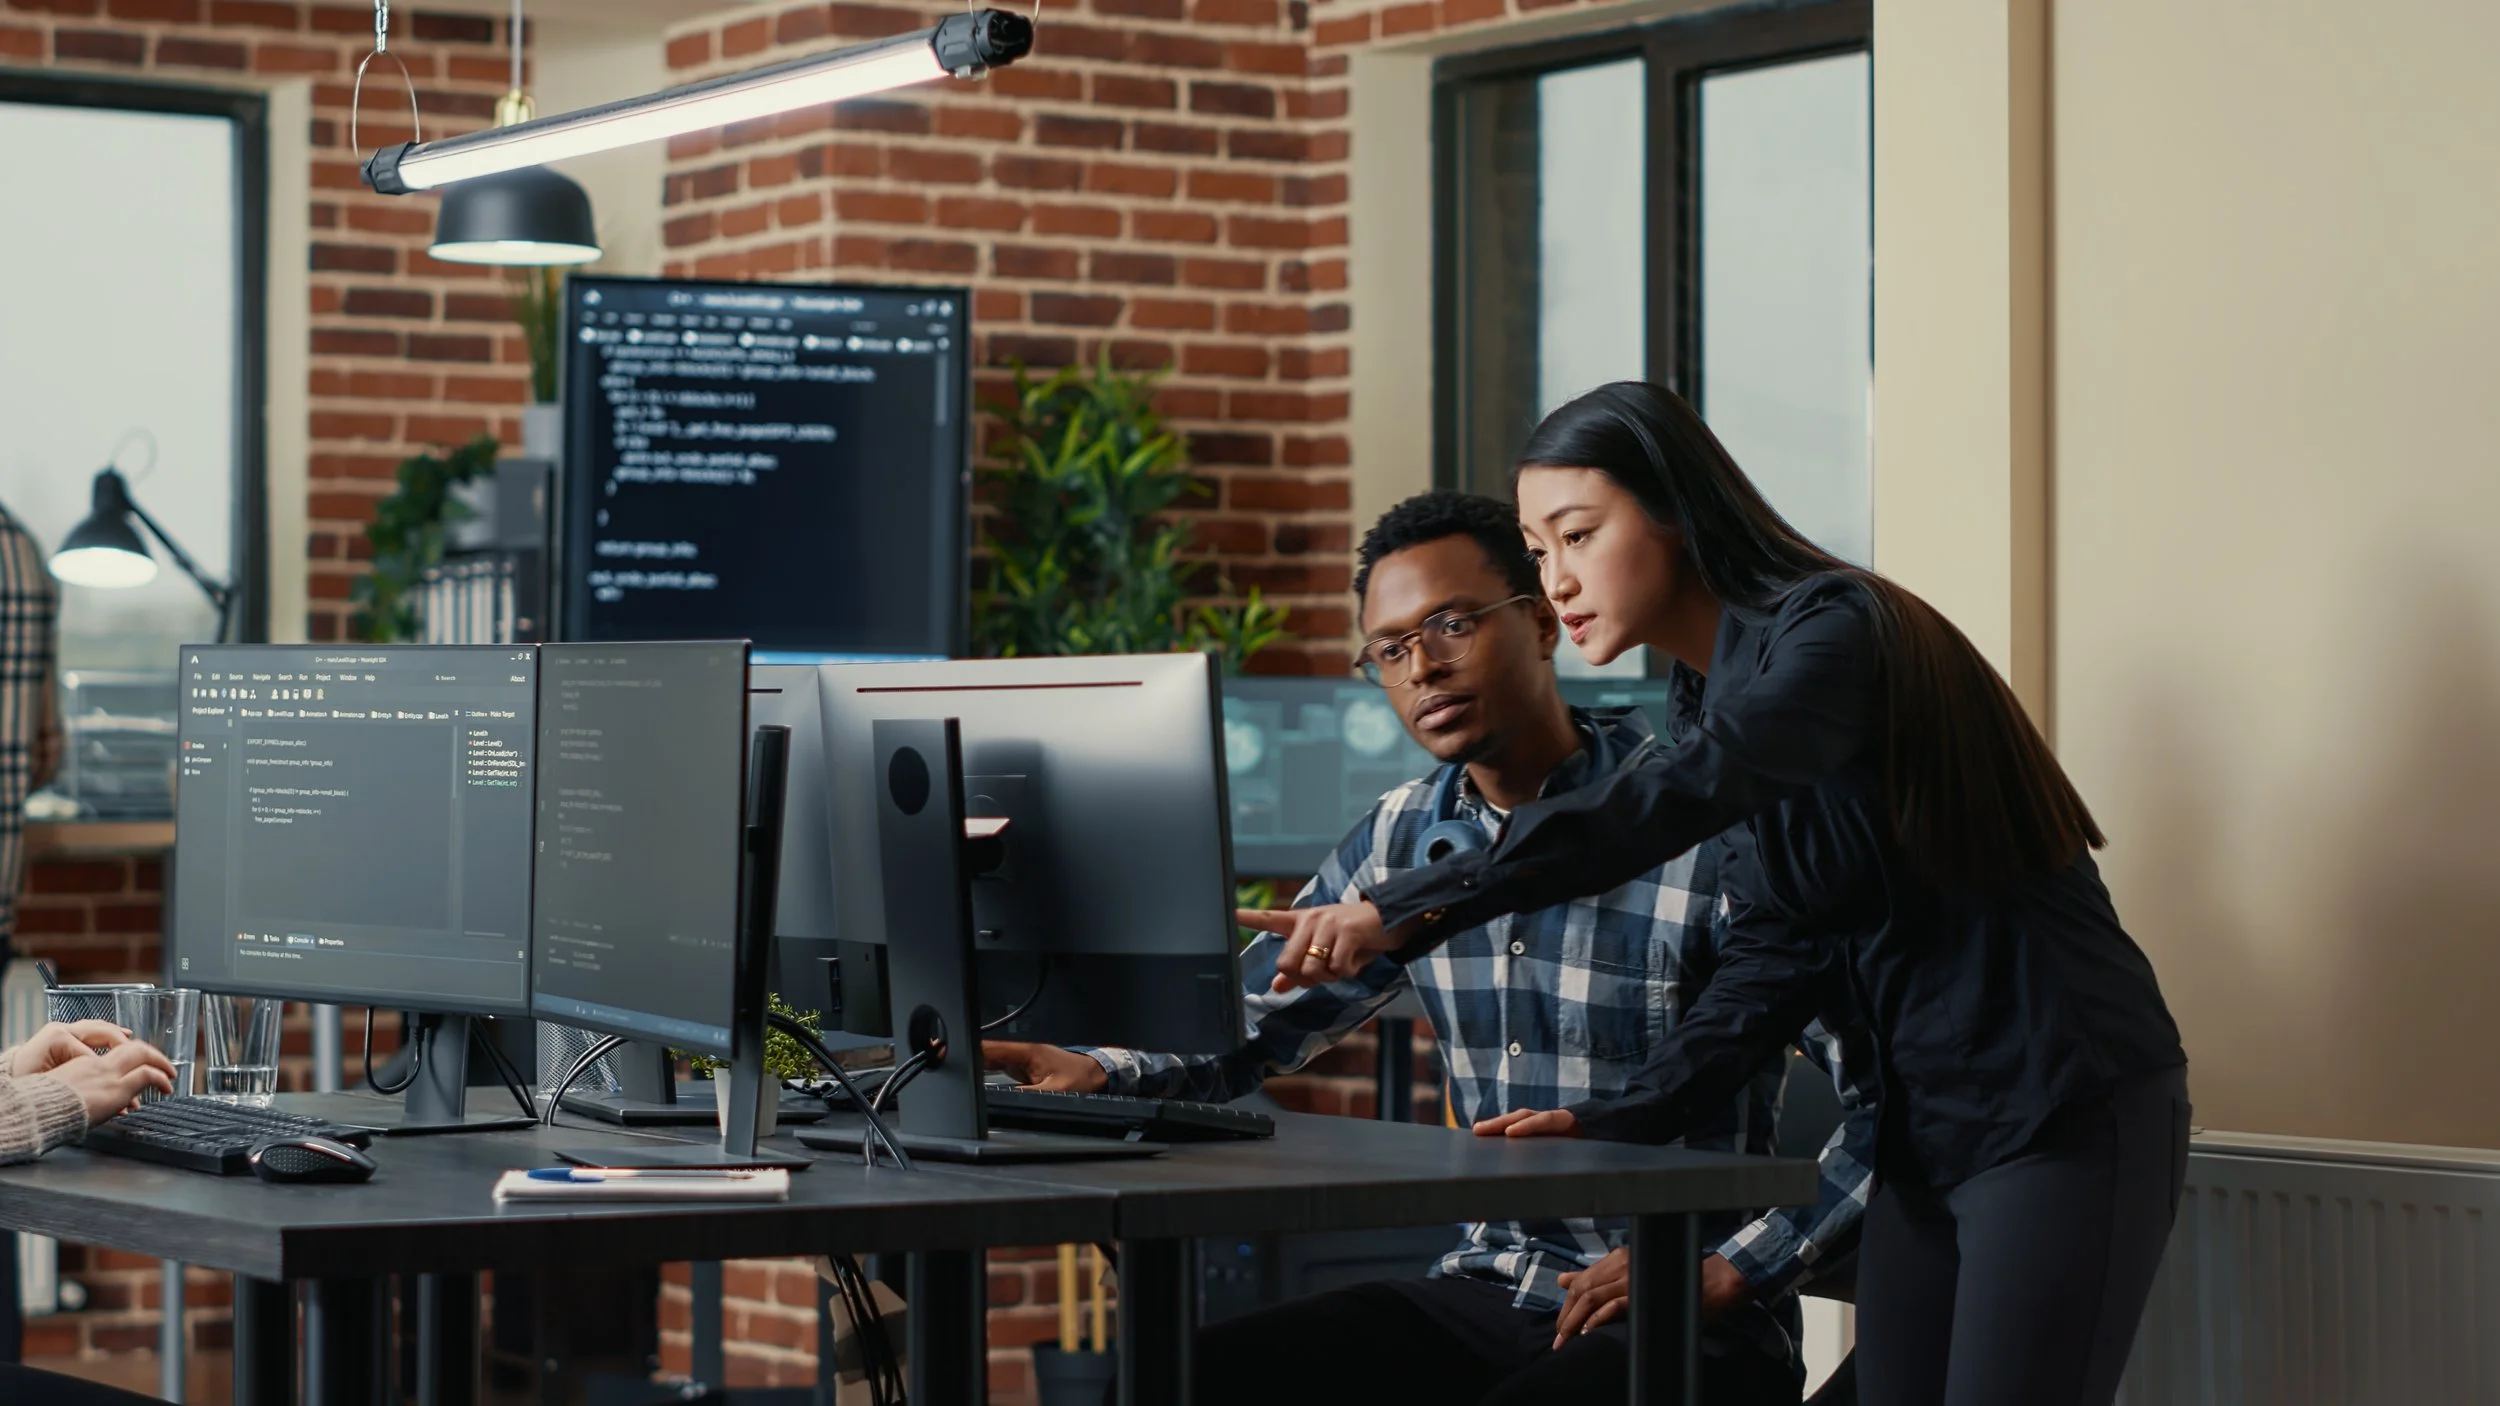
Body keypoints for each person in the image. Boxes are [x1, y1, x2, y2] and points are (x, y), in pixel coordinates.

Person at [1249, 384, 2191, 1406]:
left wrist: (1408, 902)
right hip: (1927, 1134)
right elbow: (1777, 953)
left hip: (2058, 1099)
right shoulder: (1714, 689)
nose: (1556, 580)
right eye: (1537, 551)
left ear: (1677, 511)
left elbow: (1666, 800)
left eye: (1577, 534)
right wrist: (1623, 1115)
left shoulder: (1835, 632)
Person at [989, 491, 1879, 1406]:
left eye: (1451, 625)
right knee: (1165, 1382)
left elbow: (1887, 1103)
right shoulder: (1400, 839)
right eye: (1391, 648)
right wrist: (1095, 1070)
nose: (1422, 669)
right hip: (1490, 1287)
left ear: (1542, 621)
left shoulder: (1704, 829)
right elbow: (1250, 1030)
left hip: (1681, 1314)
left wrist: (1735, 1269)